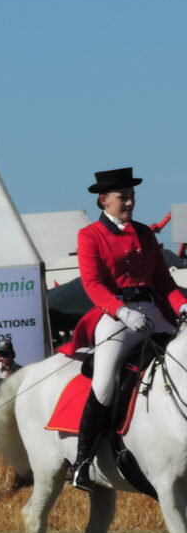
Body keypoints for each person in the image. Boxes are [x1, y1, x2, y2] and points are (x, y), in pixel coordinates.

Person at [61, 167, 187, 491]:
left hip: (154, 312)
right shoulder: (90, 235)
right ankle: (83, 461)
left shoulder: (145, 233)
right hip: (116, 316)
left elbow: (162, 280)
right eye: (123, 197)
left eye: (132, 197)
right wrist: (121, 311)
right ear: (104, 200)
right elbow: (92, 284)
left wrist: (182, 304)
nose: (130, 202)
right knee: (103, 384)